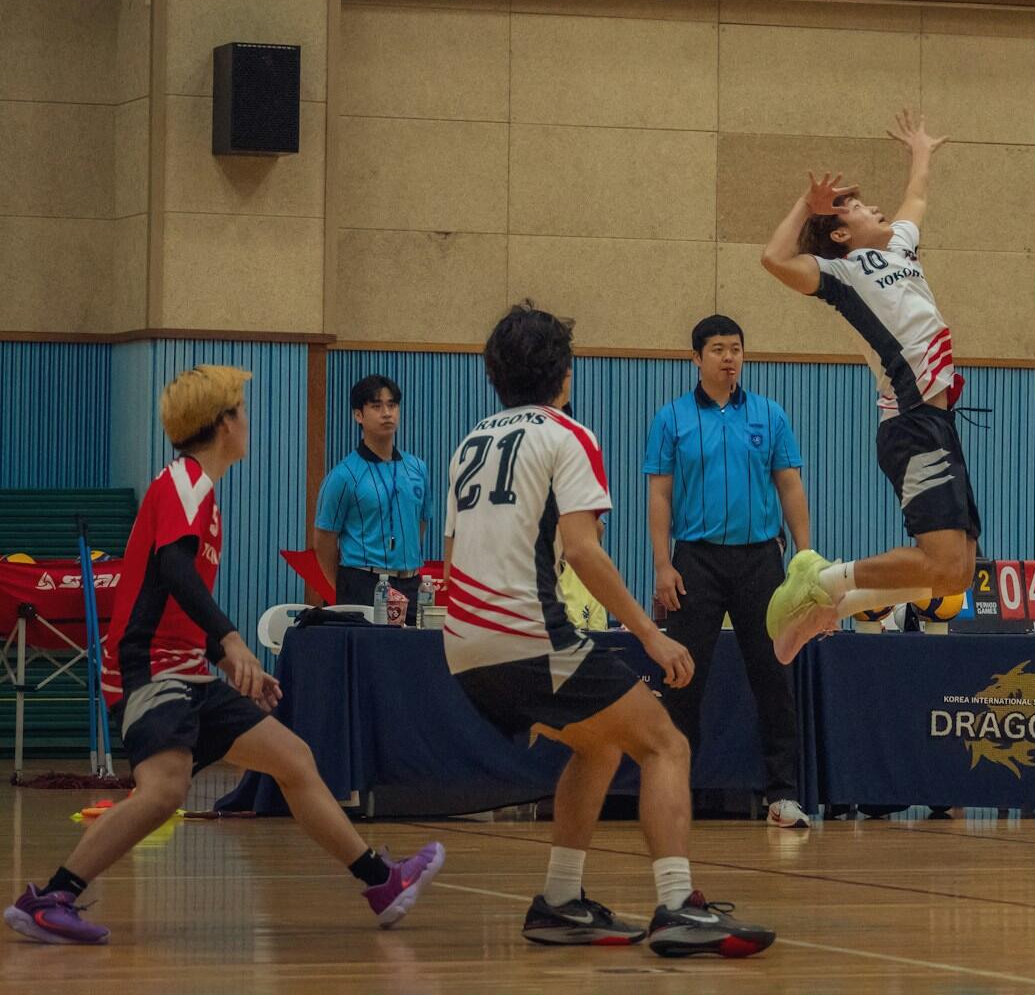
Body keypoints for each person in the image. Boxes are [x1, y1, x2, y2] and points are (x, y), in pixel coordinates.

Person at [6, 366, 443, 946]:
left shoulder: (198, 489)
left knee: (292, 757)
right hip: (151, 668)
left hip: (188, 667)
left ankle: (381, 883)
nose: (247, 421)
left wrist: (232, 658)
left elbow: (179, 591)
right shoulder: (187, 483)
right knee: (163, 792)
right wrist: (232, 641)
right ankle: (51, 899)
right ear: (223, 424)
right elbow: (174, 570)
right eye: (241, 411)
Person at [441, 302, 774, 955]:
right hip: (527, 637)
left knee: (598, 746)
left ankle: (561, 902)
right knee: (665, 743)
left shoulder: (469, 444)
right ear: (565, 372)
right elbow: (585, 551)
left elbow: (452, 562)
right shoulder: (565, 435)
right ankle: (678, 906)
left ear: (493, 375)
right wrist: (652, 633)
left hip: (461, 647)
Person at [758, 107, 982, 663]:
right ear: (840, 232)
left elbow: (917, 199)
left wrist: (922, 150)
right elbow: (773, 257)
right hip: (910, 423)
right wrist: (804, 206)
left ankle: (832, 605)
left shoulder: (899, 248)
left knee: (958, 572)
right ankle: (822, 580)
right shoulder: (841, 274)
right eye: (856, 208)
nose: (874, 207)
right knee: (941, 562)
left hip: (936, 421)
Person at [645, 315, 812, 829]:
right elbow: (659, 494)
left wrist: (805, 559)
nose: (729, 357)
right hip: (695, 561)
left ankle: (782, 796)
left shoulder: (769, 414)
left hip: (761, 560)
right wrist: (662, 564)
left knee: (773, 675)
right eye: (718, 349)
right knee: (683, 679)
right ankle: (671, 793)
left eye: (736, 348)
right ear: (697, 357)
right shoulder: (671, 419)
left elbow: (789, 486)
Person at [315, 375, 433, 623]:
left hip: (411, 583)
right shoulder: (343, 475)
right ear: (358, 415)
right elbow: (325, 539)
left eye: (392, 405)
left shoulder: (417, 468)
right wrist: (348, 583)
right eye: (376, 406)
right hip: (363, 583)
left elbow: (419, 524)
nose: (387, 413)